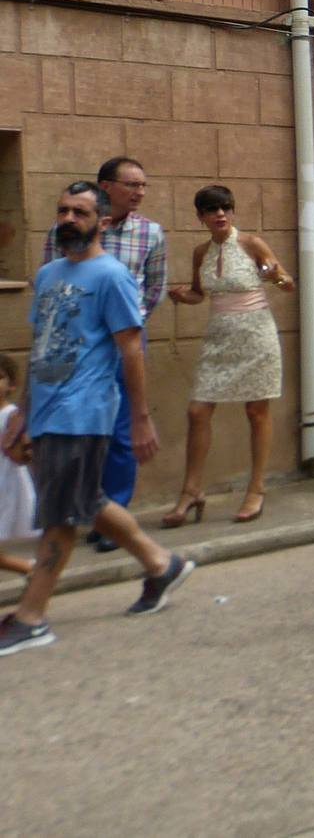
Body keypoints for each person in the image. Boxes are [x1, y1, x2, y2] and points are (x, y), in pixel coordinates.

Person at [0, 182, 194, 656]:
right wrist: (22, 411)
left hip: (83, 410)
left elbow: (131, 349)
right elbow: (43, 346)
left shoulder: (113, 276)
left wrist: (140, 417)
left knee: (62, 515)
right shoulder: (48, 274)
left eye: (80, 212)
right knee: (85, 499)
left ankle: (32, 617)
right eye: (63, 210)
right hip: (47, 409)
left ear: (103, 221)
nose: (68, 218)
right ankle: (160, 564)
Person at [42, 157, 164, 554]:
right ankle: (86, 512)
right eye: (132, 184)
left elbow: (154, 288)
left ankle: (115, 516)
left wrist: (126, 323)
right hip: (74, 344)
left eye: (143, 185)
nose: (140, 192)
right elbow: (52, 280)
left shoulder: (150, 233)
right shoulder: (66, 229)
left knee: (122, 431)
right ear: (107, 187)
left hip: (124, 343)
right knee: (78, 428)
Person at [160, 185, 293, 527]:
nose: (220, 214)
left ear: (232, 212)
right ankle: (191, 491)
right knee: (197, 411)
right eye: (212, 209)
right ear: (200, 216)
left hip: (256, 335)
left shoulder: (252, 243)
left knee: (256, 411)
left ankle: (256, 488)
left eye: (225, 208)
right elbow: (199, 294)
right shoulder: (200, 252)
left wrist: (276, 277)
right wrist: (181, 296)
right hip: (218, 338)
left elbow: (287, 283)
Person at [0, 358, 36, 578]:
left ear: (11, 385)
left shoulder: (12, 415)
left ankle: (31, 570)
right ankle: (31, 570)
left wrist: (23, 449)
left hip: (5, 483)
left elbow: (23, 453)